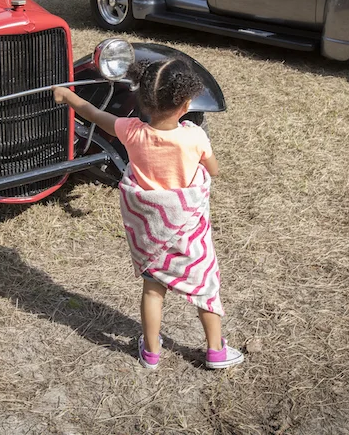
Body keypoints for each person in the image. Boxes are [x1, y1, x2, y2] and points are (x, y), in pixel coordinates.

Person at [53, 59, 244, 370]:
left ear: (142, 100)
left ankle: (151, 352)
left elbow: (92, 114)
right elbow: (214, 170)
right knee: (206, 287)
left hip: (151, 233)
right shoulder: (194, 137)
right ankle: (215, 351)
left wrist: (68, 96)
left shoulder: (131, 131)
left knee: (153, 290)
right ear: (185, 103)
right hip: (189, 234)